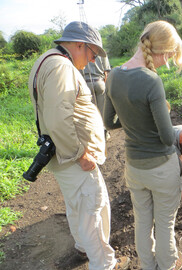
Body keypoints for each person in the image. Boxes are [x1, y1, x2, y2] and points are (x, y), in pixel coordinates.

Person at [27, 21, 129, 270]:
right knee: (94, 209)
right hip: (73, 156)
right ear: (79, 44)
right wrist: (81, 153)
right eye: (93, 54)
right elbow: (58, 119)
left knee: (78, 206)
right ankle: (104, 264)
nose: (93, 60)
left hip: (62, 155)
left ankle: (83, 247)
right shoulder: (61, 66)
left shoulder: (48, 60)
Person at [103, 21, 182, 270]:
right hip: (161, 167)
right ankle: (168, 265)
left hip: (135, 168)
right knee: (165, 224)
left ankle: (148, 266)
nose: (167, 61)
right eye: (171, 56)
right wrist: (179, 131)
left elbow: (108, 121)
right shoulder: (151, 81)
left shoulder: (114, 74)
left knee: (142, 222)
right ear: (165, 51)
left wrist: (133, 125)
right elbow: (165, 137)